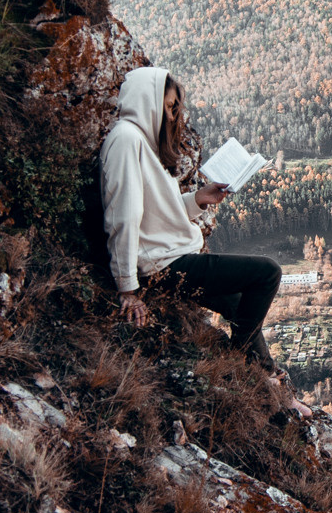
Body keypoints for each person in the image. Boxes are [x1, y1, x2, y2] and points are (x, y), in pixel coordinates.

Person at [101, 65, 282, 367]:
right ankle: (237, 361)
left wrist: (198, 199)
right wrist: (127, 288)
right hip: (165, 263)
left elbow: (155, 212)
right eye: (169, 106)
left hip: (169, 257)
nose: (172, 116)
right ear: (148, 99)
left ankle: (270, 378)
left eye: (175, 108)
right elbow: (123, 215)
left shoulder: (140, 142)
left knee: (239, 307)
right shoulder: (126, 140)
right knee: (267, 273)